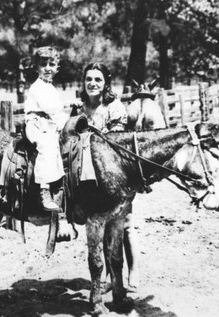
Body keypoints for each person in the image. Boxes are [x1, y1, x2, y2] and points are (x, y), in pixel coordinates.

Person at [71, 62, 138, 290]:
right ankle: (109, 278)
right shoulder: (78, 107)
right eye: (88, 78)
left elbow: (115, 147)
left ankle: (132, 273)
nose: (92, 83)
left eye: (98, 79)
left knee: (123, 225)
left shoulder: (114, 108)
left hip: (113, 176)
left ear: (106, 83)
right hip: (88, 176)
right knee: (98, 223)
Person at [0, 46, 68, 214]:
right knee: (47, 146)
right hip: (36, 124)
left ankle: (63, 188)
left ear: (57, 67)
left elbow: (56, 115)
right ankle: (44, 190)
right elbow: (50, 108)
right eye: (43, 64)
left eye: (52, 64)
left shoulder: (50, 87)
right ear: (36, 67)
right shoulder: (38, 87)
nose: (48, 68)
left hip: (48, 123)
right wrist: (67, 104)